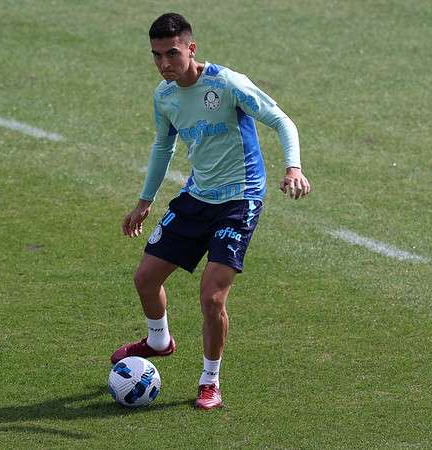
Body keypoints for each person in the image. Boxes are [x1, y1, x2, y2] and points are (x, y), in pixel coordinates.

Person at [112, 12, 310, 410]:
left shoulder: (227, 83)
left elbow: (281, 120)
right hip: (197, 197)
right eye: (156, 56)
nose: (164, 64)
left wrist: (293, 167)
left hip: (239, 200)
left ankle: (210, 381)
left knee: (212, 298)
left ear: (191, 48)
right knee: (146, 279)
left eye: (172, 53)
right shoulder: (164, 97)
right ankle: (158, 341)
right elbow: (163, 148)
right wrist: (144, 201)